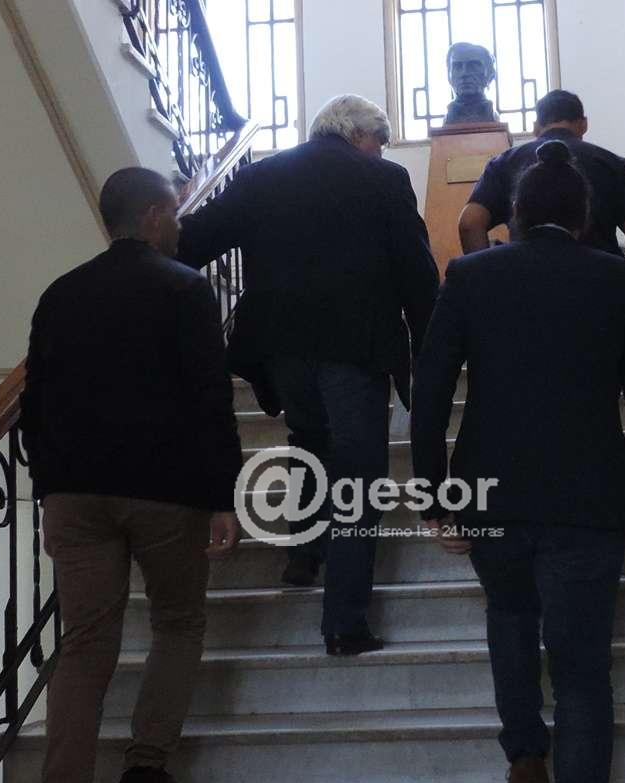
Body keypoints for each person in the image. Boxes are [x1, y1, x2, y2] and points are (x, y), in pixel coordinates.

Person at [411, 141, 625, 783]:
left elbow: (429, 389)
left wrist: (435, 494)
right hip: (590, 502)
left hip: (492, 492)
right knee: (585, 680)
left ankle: (525, 758)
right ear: (585, 219)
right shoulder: (619, 281)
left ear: (514, 217)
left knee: (509, 615)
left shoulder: (470, 276)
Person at [21, 167, 243, 783]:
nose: (180, 224)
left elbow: (33, 404)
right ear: (151, 216)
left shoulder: (60, 294)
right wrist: (221, 495)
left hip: (74, 495)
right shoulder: (184, 289)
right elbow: (210, 399)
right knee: (178, 622)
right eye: (174, 212)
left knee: (84, 648)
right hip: (163, 492)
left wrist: (50, 486)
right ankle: (146, 780)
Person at [178, 94, 439, 656]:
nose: (382, 151)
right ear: (359, 134)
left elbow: (192, 242)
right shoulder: (384, 180)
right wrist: (430, 350)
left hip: (280, 350)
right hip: (355, 348)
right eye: (380, 141)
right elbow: (416, 272)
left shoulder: (263, 176)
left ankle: (303, 552)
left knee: (308, 440)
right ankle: (344, 621)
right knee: (358, 474)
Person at [458, 89, 625, 316]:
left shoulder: (503, 163)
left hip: (525, 297)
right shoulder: (612, 165)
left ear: (536, 127)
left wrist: (487, 284)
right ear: (583, 124)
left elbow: (469, 223)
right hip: (600, 296)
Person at [443, 42, 498, 125]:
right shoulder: (449, 117)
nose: (464, 73)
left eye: (473, 66)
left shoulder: (492, 115)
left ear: (491, 74)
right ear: (448, 75)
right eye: (457, 67)